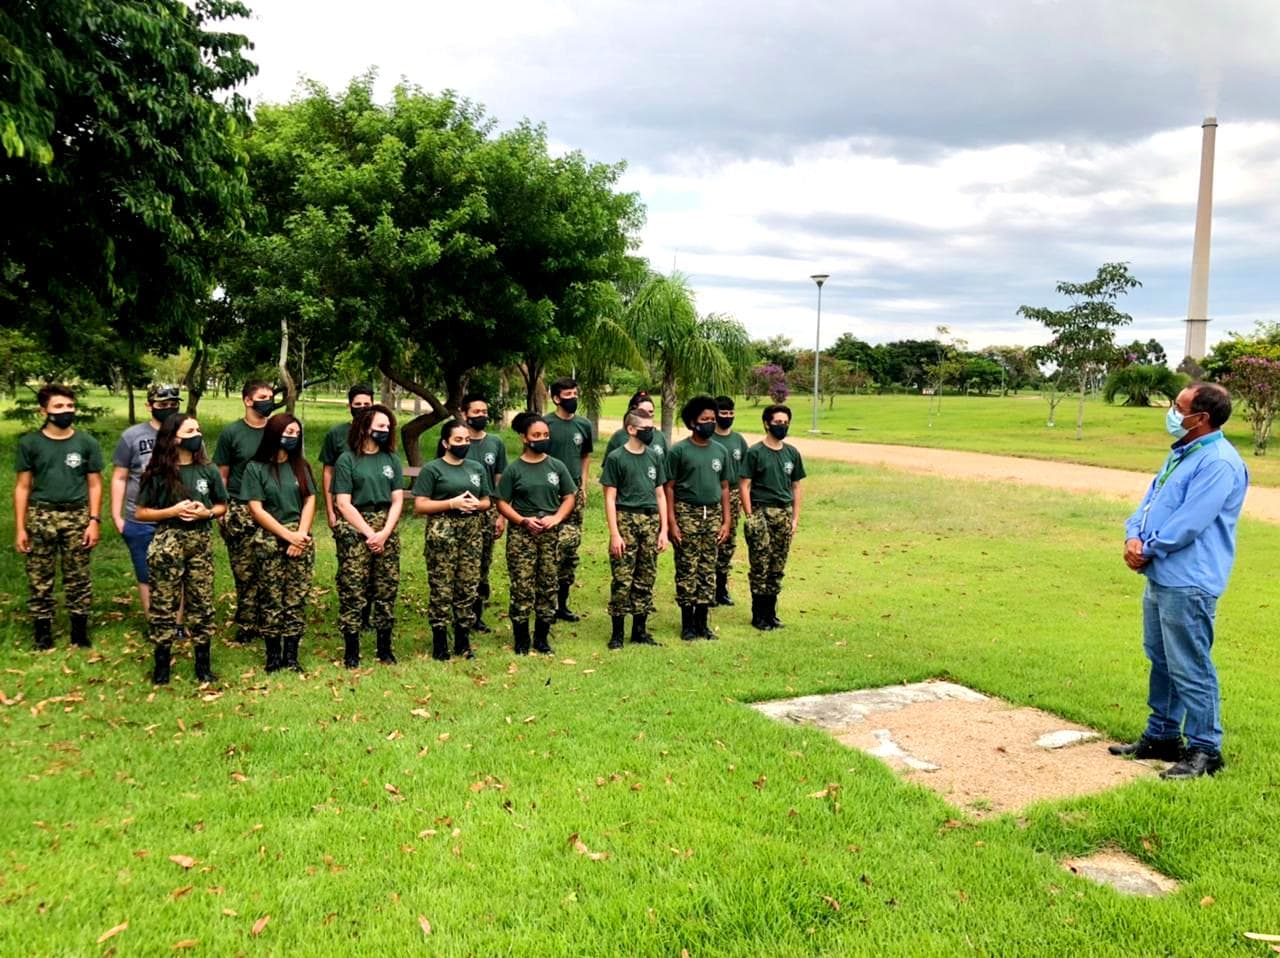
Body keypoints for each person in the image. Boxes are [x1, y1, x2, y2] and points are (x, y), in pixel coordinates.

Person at [1110, 382, 1248, 780]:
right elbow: (1150, 501)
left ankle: (1206, 749)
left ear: (1201, 418)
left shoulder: (1218, 462)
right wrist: (1133, 535)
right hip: (1161, 574)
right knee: (1161, 658)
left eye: (1179, 406)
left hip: (1189, 579)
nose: (1172, 411)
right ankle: (1162, 736)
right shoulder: (1185, 453)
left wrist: (1147, 548)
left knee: (1190, 664)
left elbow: (1190, 522)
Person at [135, 414, 227, 684]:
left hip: (199, 540)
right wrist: (172, 511)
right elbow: (141, 512)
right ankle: (162, 665)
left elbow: (222, 505)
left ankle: (203, 665)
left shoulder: (208, 470)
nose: (197, 434)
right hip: (168, 541)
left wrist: (206, 513)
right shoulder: (157, 472)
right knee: (164, 602)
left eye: (198, 429)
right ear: (175, 437)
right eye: (190, 430)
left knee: (202, 602)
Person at [13, 384, 104, 650]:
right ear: (44, 411)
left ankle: (79, 631)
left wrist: (94, 520)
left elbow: (95, 484)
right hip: (41, 515)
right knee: (40, 576)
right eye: (59, 407)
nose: (66, 412)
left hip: (77, 516)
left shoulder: (86, 443)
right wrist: (20, 527)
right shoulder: (30, 443)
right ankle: (42, 632)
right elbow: (22, 486)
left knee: (78, 575)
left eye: (70, 406)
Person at [496, 412, 577, 655]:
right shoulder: (515, 469)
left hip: (550, 534)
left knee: (548, 585)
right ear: (524, 438)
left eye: (545, 435)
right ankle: (521, 639)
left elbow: (569, 497)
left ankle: (542, 639)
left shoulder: (556, 466)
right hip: (523, 535)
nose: (541, 439)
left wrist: (557, 518)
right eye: (536, 435)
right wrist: (522, 520)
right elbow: (501, 502)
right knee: (522, 585)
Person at [243, 414, 317, 673]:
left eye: (296, 433)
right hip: (270, 540)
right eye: (287, 432)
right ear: (274, 433)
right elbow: (256, 509)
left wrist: (301, 534)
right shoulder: (256, 468)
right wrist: (288, 536)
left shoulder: (302, 466)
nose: (292, 437)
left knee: (296, 598)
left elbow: (309, 500)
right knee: (272, 598)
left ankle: (291, 656)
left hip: (301, 538)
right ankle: (273, 656)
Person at [332, 404, 405, 668]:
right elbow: (343, 503)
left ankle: (384, 649)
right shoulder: (347, 459)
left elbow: (397, 500)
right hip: (356, 528)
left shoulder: (391, 460)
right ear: (365, 427)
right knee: (353, 588)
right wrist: (369, 533)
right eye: (381, 426)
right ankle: (351, 651)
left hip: (386, 526)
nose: (386, 430)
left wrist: (384, 533)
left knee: (386, 587)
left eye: (388, 427)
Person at [413, 421, 492, 661]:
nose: (464, 444)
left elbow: (488, 500)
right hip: (442, 531)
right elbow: (420, 505)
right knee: (442, 587)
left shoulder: (476, 468)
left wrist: (477, 505)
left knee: (467, 586)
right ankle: (439, 642)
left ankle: (463, 640)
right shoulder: (433, 469)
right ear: (445, 443)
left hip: (471, 532)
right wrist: (451, 503)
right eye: (458, 440)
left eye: (467, 440)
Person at [111, 383, 181, 615]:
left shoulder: (188, 432)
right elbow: (120, 477)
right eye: (162, 405)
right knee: (146, 574)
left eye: (173, 404)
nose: (168, 408)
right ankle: (155, 622)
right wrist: (117, 516)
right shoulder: (132, 437)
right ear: (149, 406)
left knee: (179, 573)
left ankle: (178, 625)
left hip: (178, 517)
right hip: (140, 519)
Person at [601, 409, 668, 649]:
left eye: (652, 427)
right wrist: (615, 533)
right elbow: (610, 497)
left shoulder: (654, 457)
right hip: (626, 519)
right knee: (622, 578)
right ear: (631, 429)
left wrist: (664, 529)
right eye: (645, 428)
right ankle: (617, 633)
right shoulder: (616, 458)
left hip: (650, 521)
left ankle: (640, 630)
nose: (650, 432)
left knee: (646, 577)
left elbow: (660, 494)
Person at [664, 396, 731, 641]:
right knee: (687, 568)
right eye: (705, 420)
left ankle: (703, 623)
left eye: (713, 419)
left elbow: (725, 487)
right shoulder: (679, 451)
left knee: (707, 569)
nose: (710, 424)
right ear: (693, 422)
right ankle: (688, 624)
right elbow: (669, 487)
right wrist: (672, 522)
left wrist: (726, 521)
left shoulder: (720, 451)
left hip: (712, 514)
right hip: (686, 514)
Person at [213, 380, 274, 644]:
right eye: (262, 396)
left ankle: (270, 620)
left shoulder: (276, 430)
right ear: (248, 400)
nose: (268, 401)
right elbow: (221, 475)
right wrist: (222, 510)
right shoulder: (232, 433)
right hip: (240, 508)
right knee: (244, 569)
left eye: (271, 396)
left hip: (271, 507)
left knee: (269, 567)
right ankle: (248, 623)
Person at [740, 404, 806, 631]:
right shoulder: (755, 452)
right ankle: (758, 614)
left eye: (785, 423)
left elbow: (796, 487)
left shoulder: (791, 453)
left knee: (778, 565)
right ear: (767, 423)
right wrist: (750, 516)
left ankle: (771, 613)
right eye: (778, 423)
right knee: (761, 564)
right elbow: (745, 485)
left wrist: (795, 518)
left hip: (784, 513)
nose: (782, 426)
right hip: (762, 512)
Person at [543, 377, 593, 622]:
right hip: (549, 496)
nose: (573, 398)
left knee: (570, 550)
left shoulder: (583, 425)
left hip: (574, 495)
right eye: (568, 395)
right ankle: (545, 604)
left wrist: (583, 484)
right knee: (549, 549)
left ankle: (562, 604)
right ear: (556, 398)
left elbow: (585, 456)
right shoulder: (544, 424)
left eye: (575, 393)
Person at [461, 393, 508, 633]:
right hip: (459, 511)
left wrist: (501, 516)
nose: (482, 416)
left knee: (482, 563)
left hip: (487, 511)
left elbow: (500, 480)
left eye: (484, 412)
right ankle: (459, 612)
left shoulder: (495, 443)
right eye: (476, 412)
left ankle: (476, 615)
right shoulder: (456, 439)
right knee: (460, 564)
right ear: (464, 414)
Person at [713, 395, 750, 606]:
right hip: (713, 494)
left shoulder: (738, 440)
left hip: (734, 494)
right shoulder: (710, 439)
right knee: (710, 540)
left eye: (730, 413)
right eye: (723, 413)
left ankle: (721, 588)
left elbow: (746, 474)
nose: (727, 417)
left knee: (728, 541)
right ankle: (705, 587)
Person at [603, 390, 668, 460]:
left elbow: (666, 466)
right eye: (642, 411)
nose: (647, 415)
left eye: (651, 411)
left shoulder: (660, 437)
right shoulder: (619, 437)